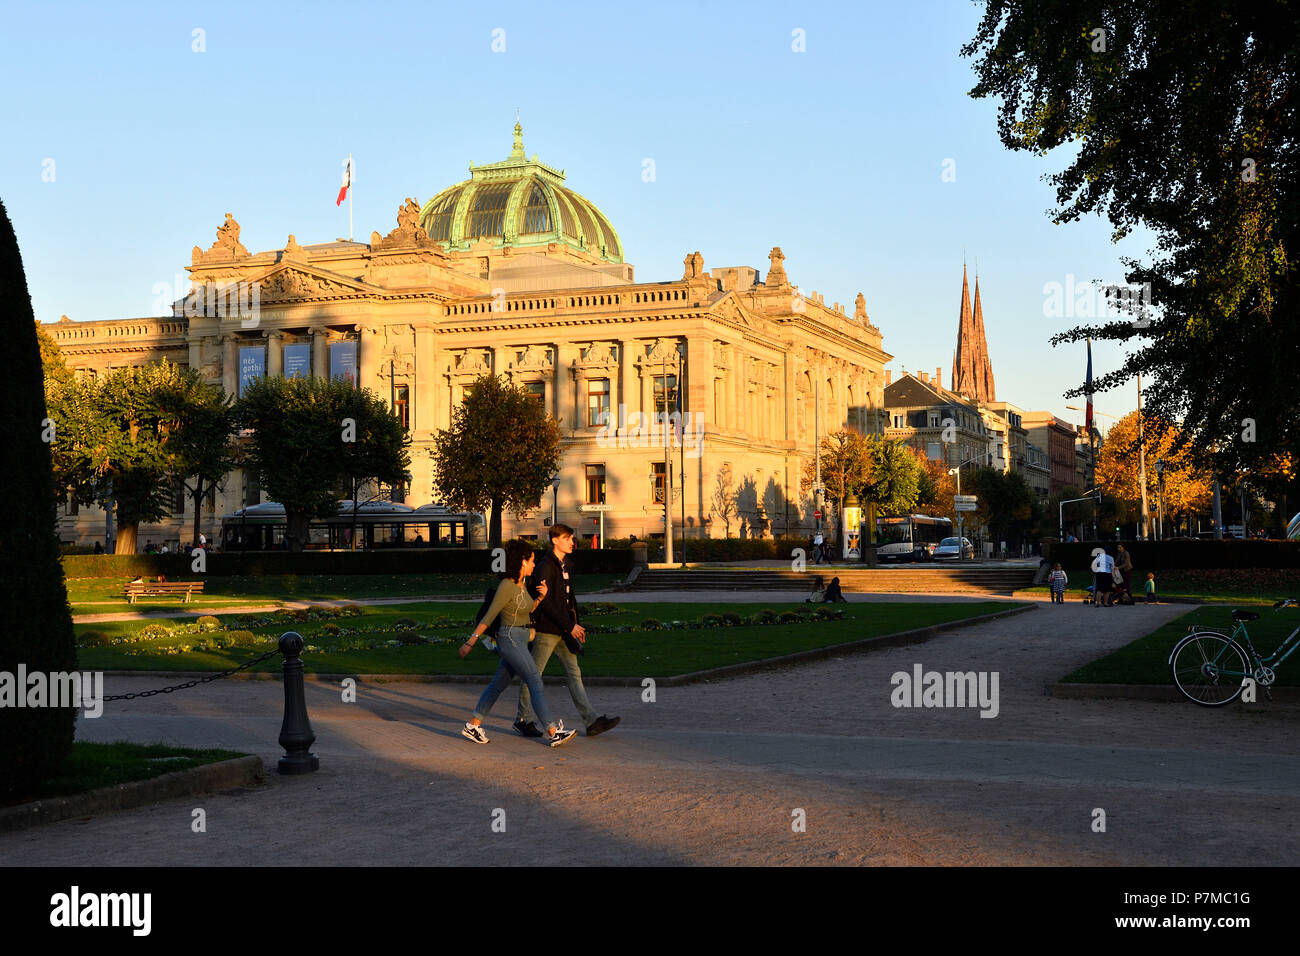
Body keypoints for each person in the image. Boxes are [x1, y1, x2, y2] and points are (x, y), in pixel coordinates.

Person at [458, 539, 576, 747]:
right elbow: (489, 616)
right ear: (522, 562)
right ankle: (553, 731)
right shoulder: (506, 585)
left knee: (498, 684)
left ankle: (472, 726)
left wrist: (541, 596)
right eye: (531, 560)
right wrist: (471, 642)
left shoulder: (521, 584)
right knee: (534, 679)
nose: (534, 564)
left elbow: (526, 609)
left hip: (520, 639)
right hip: (510, 638)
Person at [515, 524, 620, 738]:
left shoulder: (566, 564)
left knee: (574, 674)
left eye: (572, 538)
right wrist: (570, 625)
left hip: (563, 630)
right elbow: (546, 604)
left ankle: (591, 721)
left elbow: (569, 600)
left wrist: (575, 625)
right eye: (567, 538)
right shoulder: (545, 566)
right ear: (555, 540)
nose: (572, 542)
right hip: (547, 630)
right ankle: (522, 719)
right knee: (534, 675)